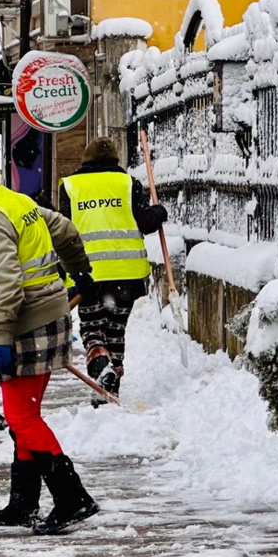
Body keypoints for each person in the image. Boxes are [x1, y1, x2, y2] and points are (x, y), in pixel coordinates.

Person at [0, 139, 100, 536]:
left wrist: (0, 339)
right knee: (22, 414)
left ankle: (72, 497)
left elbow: (6, 285)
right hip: (51, 317)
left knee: (21, 416)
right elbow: (63, 228)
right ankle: (24, 500)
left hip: (27, 324)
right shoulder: (14, 201)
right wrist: (81, 271)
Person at [57, 137, 168, 404]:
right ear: (116, 160)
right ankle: (111, 386)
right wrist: (159, 211)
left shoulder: (70, 186)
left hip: (88, 273)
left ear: (86, 160)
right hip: (126, 273)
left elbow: (63, 231)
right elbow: (145, 222)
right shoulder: (128, 183)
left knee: (93, 326)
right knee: (116, 330)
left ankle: (100, 367)